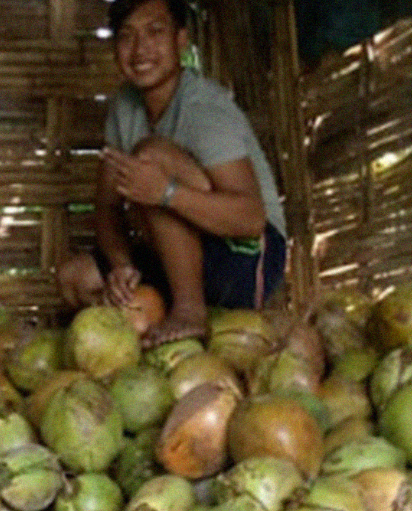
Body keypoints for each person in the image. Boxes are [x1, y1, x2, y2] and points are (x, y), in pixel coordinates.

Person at [56, 0, 288, 347]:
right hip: (176, 255)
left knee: (152, 157)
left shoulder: (204, 108)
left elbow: (251, 219)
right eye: (126, 37)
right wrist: (120, 265)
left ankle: (191, 311)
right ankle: (160, 332)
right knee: (76, 278)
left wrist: (166, 192)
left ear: (181, 40)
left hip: (246, 258)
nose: (140, 50)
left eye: (155, 32)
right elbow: (105, 207)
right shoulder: (124, 106)